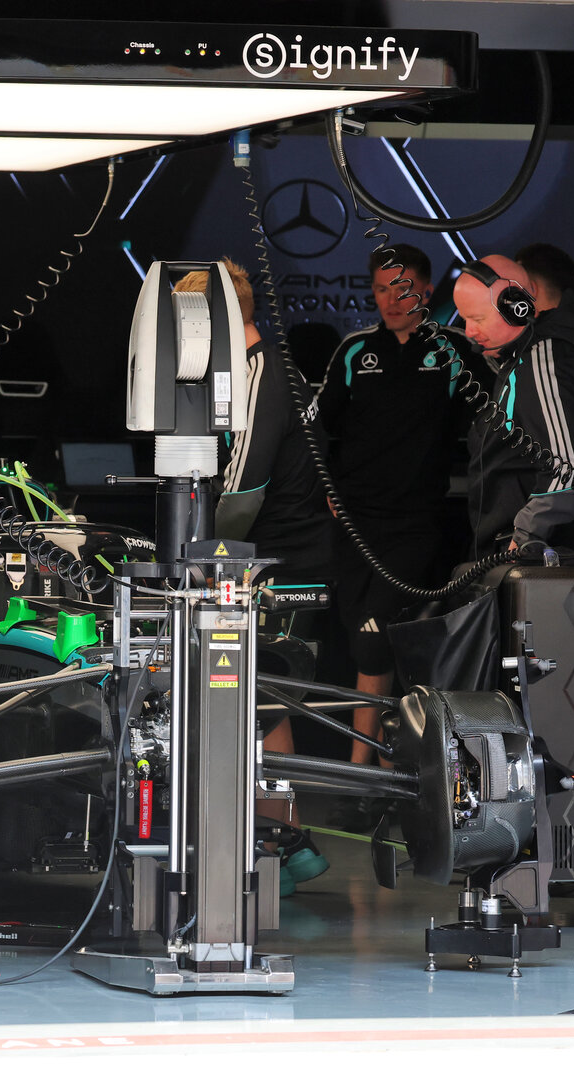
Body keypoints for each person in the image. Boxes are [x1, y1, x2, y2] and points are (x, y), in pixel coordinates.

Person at [173, 259, 335, 891]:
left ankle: (282, 845)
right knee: (265, 703)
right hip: (276, 556)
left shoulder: (263, 373)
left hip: (284, 563)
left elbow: (240, 486)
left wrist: (192, 560)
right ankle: (288, 847)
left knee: (256, 703)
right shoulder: (250, 371)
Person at [310, 245, 464, 777]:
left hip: (415, 524)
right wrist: (326, 487)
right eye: (380, 289)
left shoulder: (453, 351)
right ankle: (383, 767)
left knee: (377, 645)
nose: (391, 301)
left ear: (425, 290)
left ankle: (367, 773)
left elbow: (491, 430)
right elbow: (316, 428)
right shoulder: (354, 351)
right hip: (354, 524)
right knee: (362, 645)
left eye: (402, 289)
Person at [453, 254, 574, 557]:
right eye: (465, 319)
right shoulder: (524, 360)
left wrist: (526, 534)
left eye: (478, 319)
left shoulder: (539, 363)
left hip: (532, 556)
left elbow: (569, 472)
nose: (469, 331)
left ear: (517, 308)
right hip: (524, 553)